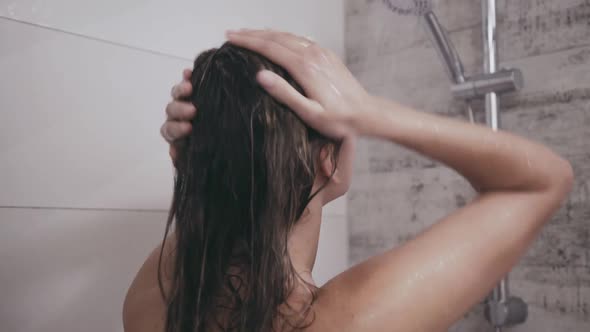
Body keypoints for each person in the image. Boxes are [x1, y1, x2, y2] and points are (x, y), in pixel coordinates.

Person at [123, 30, 574, 332]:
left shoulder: (155, 298)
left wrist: (207, 163)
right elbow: (541, 181)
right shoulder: (351, 318)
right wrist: (372, 111)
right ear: (326, 160)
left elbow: (224, 203)